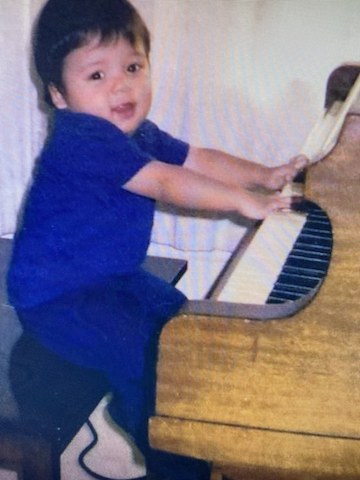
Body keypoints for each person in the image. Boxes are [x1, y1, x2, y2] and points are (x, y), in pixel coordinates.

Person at [7, 0, 307, 479]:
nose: (122, 85)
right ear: (59, 95)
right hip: (58, 298)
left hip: (110, 277)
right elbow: (168, 181)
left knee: (183, 321)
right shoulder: (82, 138)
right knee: (146, 357)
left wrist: (264, 176)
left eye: (132, 66)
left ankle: (191, 423)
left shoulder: (133, 131)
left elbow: (196, 159)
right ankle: (167, 453)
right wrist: (240, 201)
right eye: (97, 76)